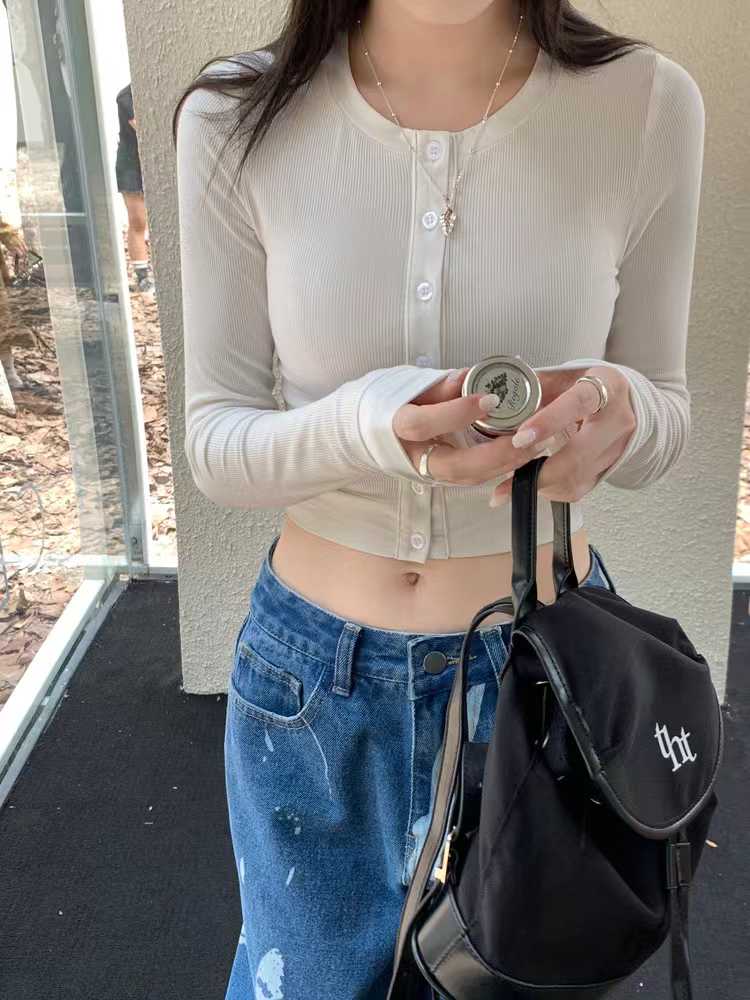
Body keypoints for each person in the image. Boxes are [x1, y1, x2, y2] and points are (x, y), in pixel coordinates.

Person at [172, 1, 705, 997]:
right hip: (312, 684)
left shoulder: (643, 103)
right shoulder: (235, 116)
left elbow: (666, 414)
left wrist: (617, 408)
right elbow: (214, 445)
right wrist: (367, 425)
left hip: (543, 673)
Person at [115, 82, 154, 297]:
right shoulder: (126, 96)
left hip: (153, 158)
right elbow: (142, 127)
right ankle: (142, 276)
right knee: (138, 220)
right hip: (132, 162)